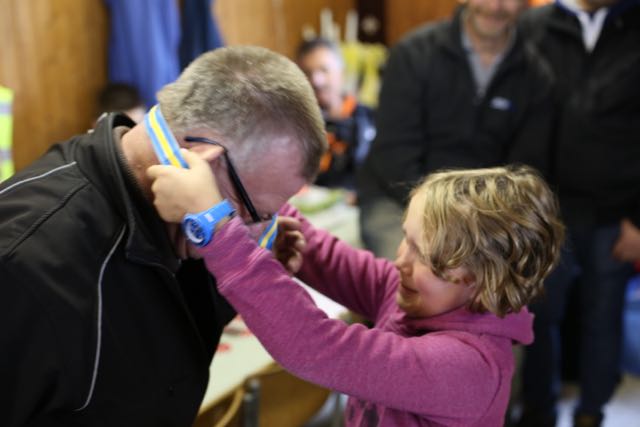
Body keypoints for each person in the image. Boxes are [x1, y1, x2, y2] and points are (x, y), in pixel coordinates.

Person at [0, 46, 326, 426]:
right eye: (258, 215)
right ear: (200, 161)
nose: (257, 235)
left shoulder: (180, 225)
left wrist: (236, 280)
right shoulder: (23, 265)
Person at [148, 158, 565, 426]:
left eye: (422, 255)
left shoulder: (468, 369)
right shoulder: (421, 296)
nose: (400, 260)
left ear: (480, 281)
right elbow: (329, 256)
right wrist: (255, 189)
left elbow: (316, 346)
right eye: (406, 239)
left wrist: (217, 228)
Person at [515, 1, 640, 426]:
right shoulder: (533, 26)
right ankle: (539, 412)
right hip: (546, 211)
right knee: (538, 316)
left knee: (603, 319)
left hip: (616, 215)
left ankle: (592, 413)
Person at [357, 0, 554, 259]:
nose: (495, 6)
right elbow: (394, 154)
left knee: (508, 272)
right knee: (415, 270)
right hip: (397, 199)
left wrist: (474, 221)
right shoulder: (412, 54)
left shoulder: (537, 75)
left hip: (481, 213)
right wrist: (442, 218)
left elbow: (524, 169)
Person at [296, 37, 376, 195]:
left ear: (342, 73)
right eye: (307, 73)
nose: (316, 80)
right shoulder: (295, 125)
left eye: (324, 70)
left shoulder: (371, 119)